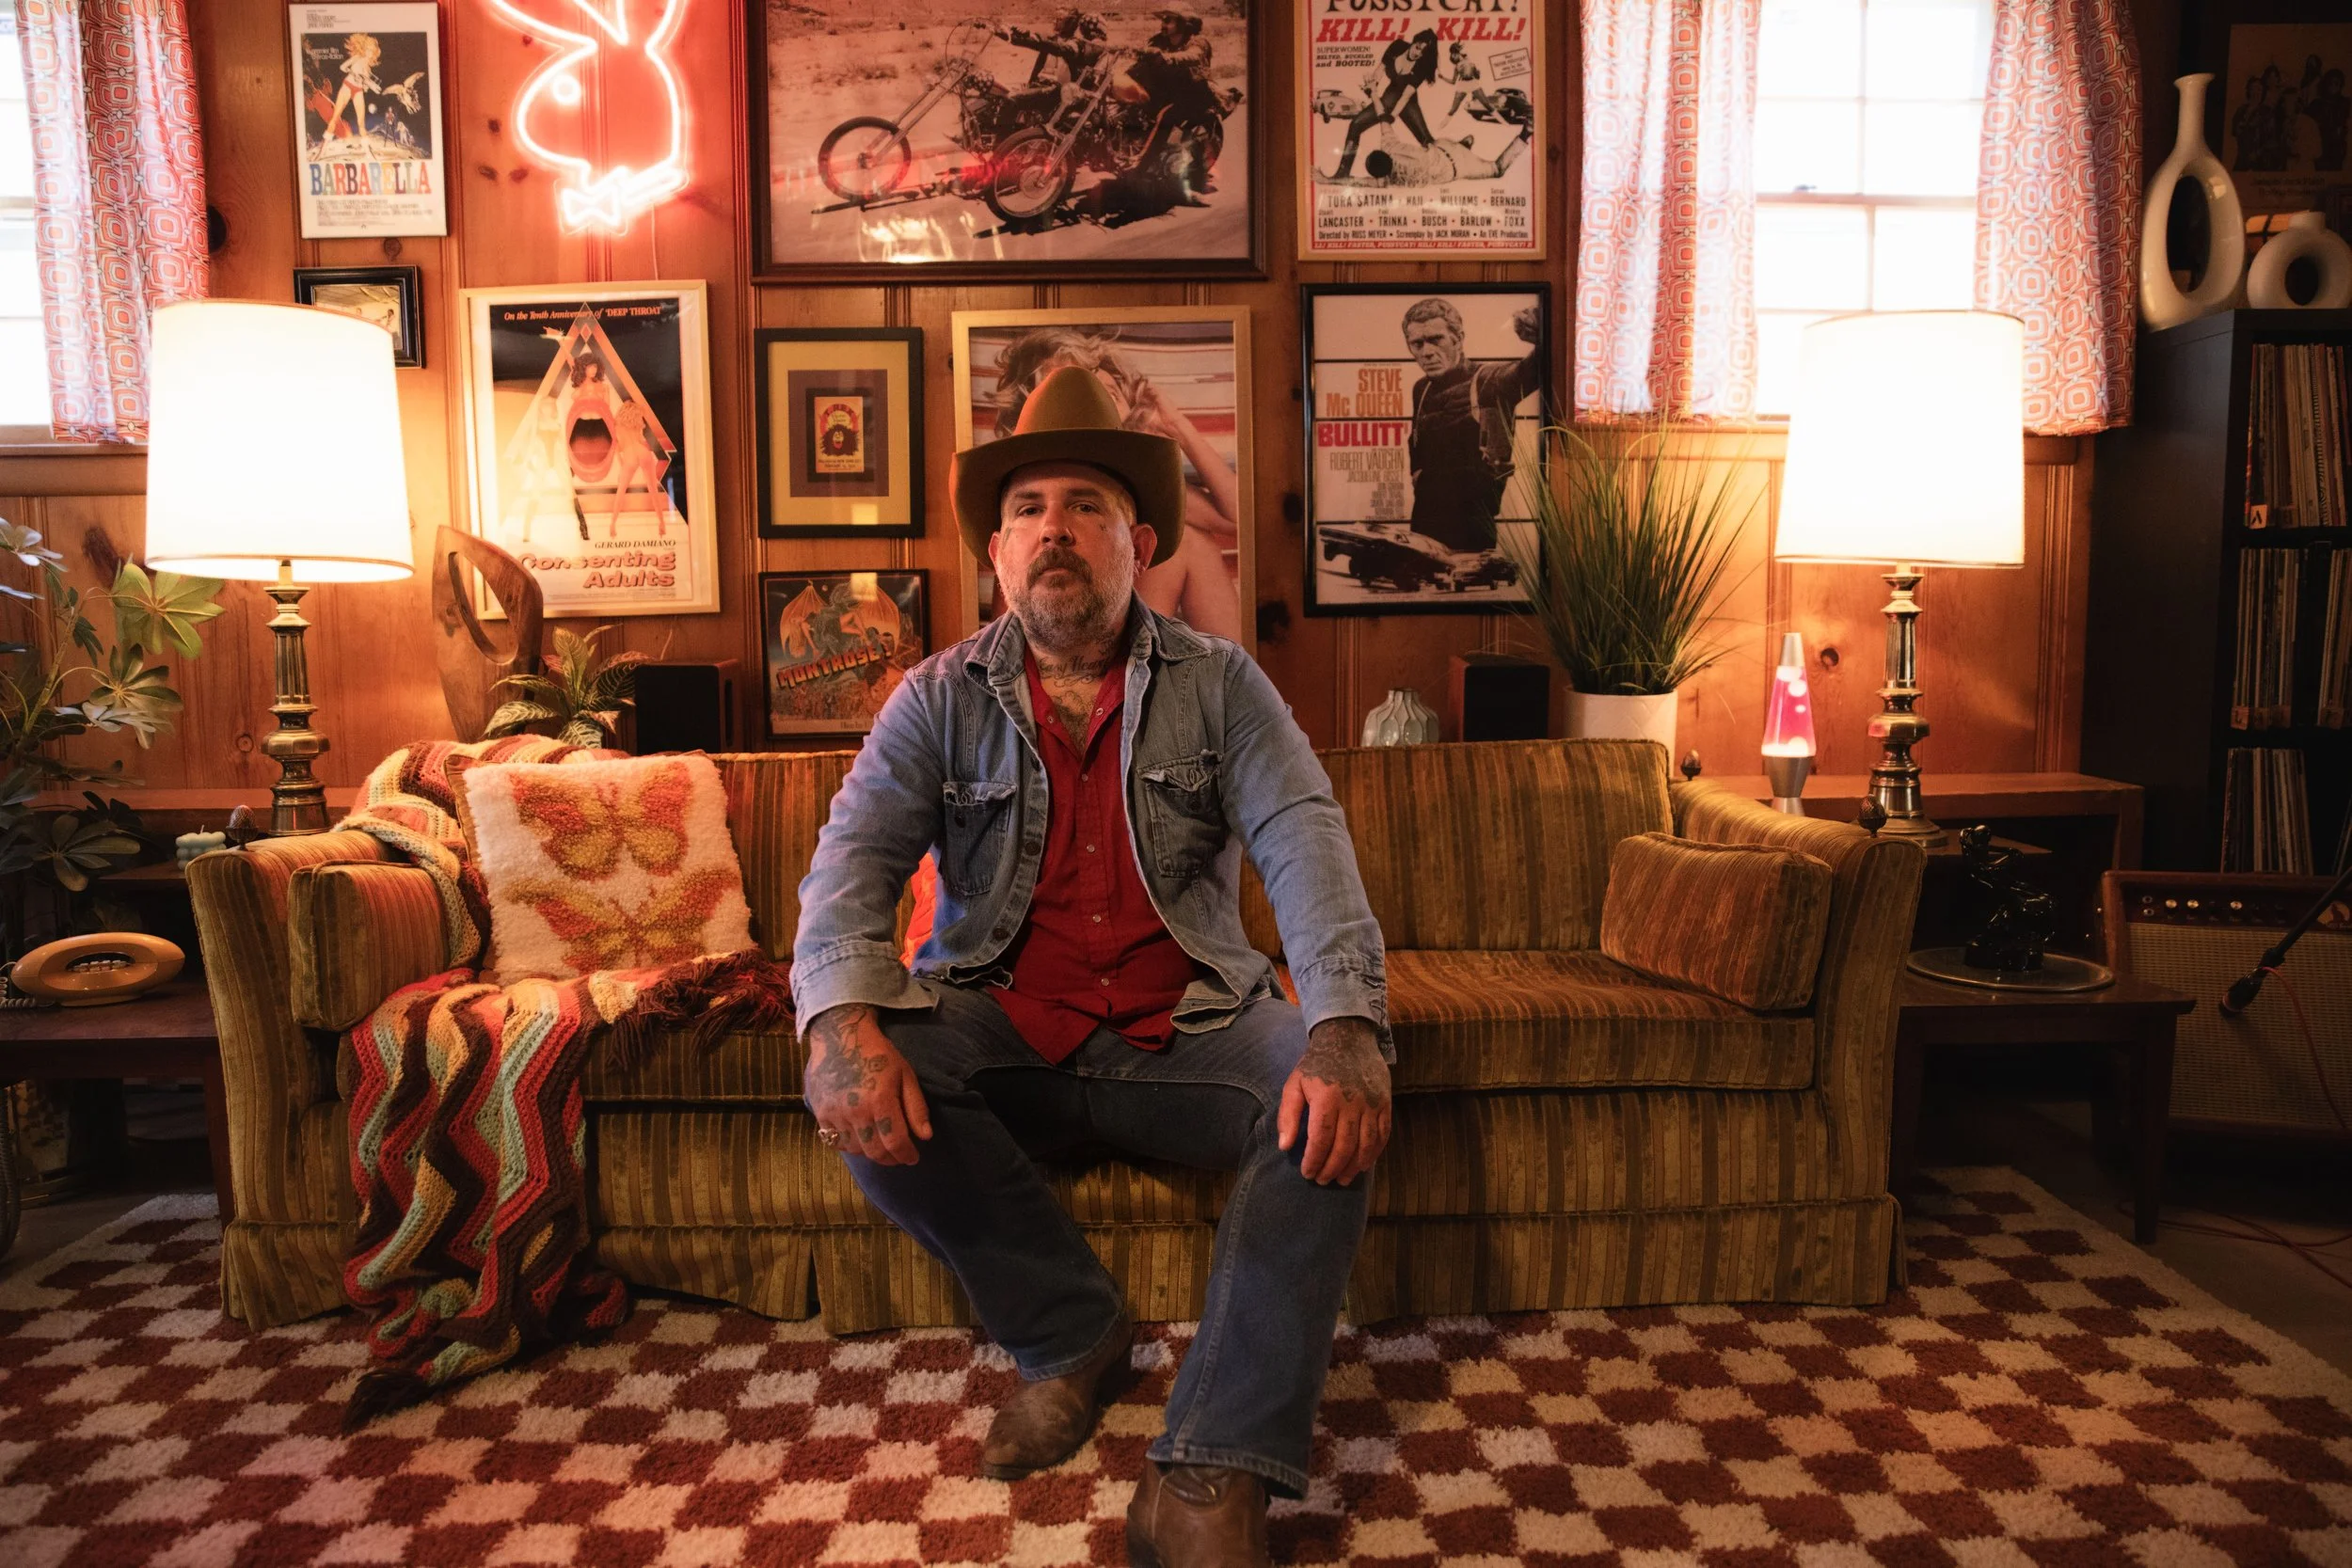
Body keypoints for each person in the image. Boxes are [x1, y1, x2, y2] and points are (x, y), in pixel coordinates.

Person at [792, 366, 1391, 1568]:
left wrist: (1344, 1028)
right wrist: (837, 1023)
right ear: (998, 554)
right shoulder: (933, 698)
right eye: (1026, 508)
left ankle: (1208, 1466)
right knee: (865, 1071)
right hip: (1000, 1024)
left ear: (1142, 539)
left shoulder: (1224, 684)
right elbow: (848, 865)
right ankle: (1072, 1334)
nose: (1052, 528)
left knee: (1330, 1107)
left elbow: (1305, 841)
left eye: (1084, 504)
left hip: (1191, 1026)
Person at [986, 326, 1246, 642]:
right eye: (1067, 393)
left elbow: (1237, 517)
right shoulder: (1023, 524)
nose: (1089, 403)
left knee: (1193, 540)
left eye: (1104, 392)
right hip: (1041, 650)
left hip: (1158, 670)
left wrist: (1176, 424)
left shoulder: (1154, 498)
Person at [1402, 297, 1542, 553]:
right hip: (1422, 526)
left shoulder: (1488, 381)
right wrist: (1418, 474)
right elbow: (1417, 441)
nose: (1427, 352)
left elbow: (1532, 370)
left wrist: (1542, 329)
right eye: (1417, 343)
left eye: (1436, 339)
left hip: (1471, 535)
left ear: (1458, 338)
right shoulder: (1421, 389)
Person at [1327, 28, 1438, 180]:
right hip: (1391, 96)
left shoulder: (1422, 66)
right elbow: (1379, 71)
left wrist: (1389, 118)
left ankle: (1455, 156)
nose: (1417, 53)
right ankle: (1343, 172)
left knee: (1427, 141)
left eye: (1422, 53)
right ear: (1413, 41)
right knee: (1356, 124)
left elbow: (1406, 96)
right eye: (1417, 47)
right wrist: (1371, 86)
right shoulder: (1397, 46)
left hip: (1407, 102)